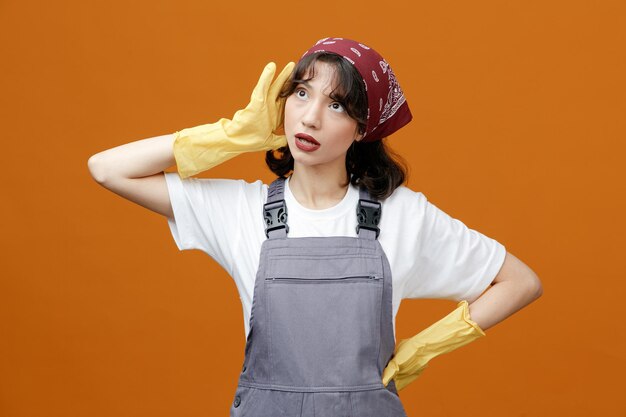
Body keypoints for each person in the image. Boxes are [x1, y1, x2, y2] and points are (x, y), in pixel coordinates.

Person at [88, 37, 543, 416]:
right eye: (301, 93)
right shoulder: (240, 209)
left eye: (338, 105)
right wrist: (228, 136)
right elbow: (108, 169)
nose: (310, 117)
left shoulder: (403, 214)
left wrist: (424, 347)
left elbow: (520, 281)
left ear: (365, 128)